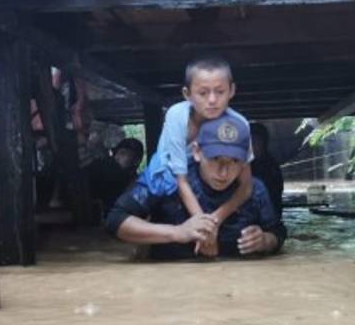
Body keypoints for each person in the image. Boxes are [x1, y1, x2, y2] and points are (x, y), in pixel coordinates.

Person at [106, 116, 285, 260]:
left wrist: (265, 241)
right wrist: (177, 233)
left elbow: (278, 232)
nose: (224, 173)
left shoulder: (256, 190)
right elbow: (116, 220)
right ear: (197, 152)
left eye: (235, 161)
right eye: (215, 159)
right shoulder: (167, 178)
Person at [139, 55, 254, 255]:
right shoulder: (176, 116)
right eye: (202, 93)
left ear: (232, 91)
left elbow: (246, 185)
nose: (212, 100)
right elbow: (180, 180)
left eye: (220, 92)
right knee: (153, 211)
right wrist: (205, 228)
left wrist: (213, 222)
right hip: (169, 174)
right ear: (187, 94)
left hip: (208, 178)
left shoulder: (239, 124)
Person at [88, 137, 145, 214]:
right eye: (116, 154)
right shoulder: (109, 179)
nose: (116, 157)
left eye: (123, 153)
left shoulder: (141, 185)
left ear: (136, 161)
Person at [249, 123, 284, 217]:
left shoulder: (271, 166)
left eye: (256, 141)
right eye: (250, 141)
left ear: (264, 143)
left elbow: (275, 193)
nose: (253, 146)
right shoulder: (242, 165)